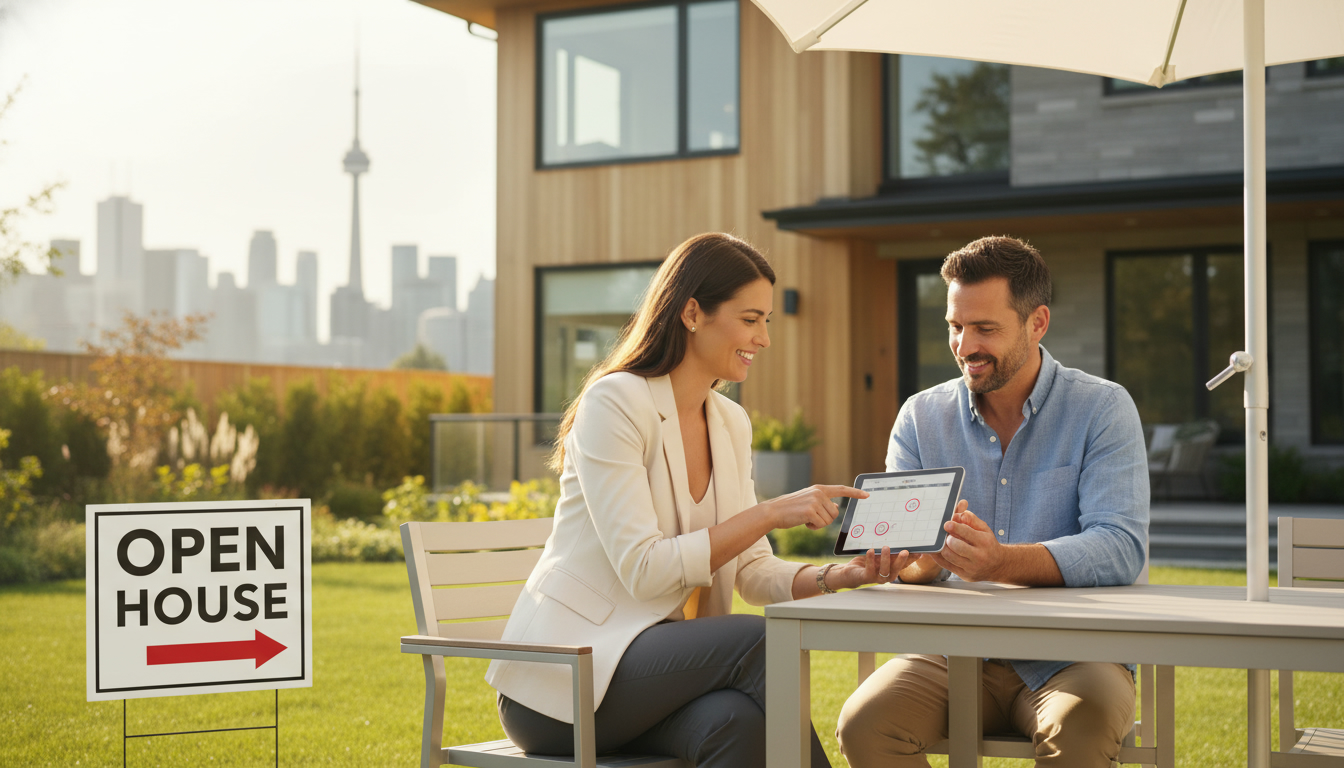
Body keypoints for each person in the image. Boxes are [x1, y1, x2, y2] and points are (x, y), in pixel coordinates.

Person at [486, 233, 897, 768]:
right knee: (759, 641)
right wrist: (770, 513)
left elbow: (752, 571)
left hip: (653, 682)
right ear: (692, 313)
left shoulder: (730, 421)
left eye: (767, 320)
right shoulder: (615, 402)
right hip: (562, 684)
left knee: (737, 724)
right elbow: (644, 570)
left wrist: (839, 576)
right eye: (750, 319)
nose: (764, 338)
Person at [836, 235, 1150, 768]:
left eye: (985, 328)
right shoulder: (920, 417)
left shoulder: (1102, 408)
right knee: (865, 725)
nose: (964, 345)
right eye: (955, 327)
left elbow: (1119, 546)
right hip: (952, 652)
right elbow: (911, 565)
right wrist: (917, 561)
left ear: (1037, 322)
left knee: (1079, 732)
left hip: (1074, 656)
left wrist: (1000, 561)